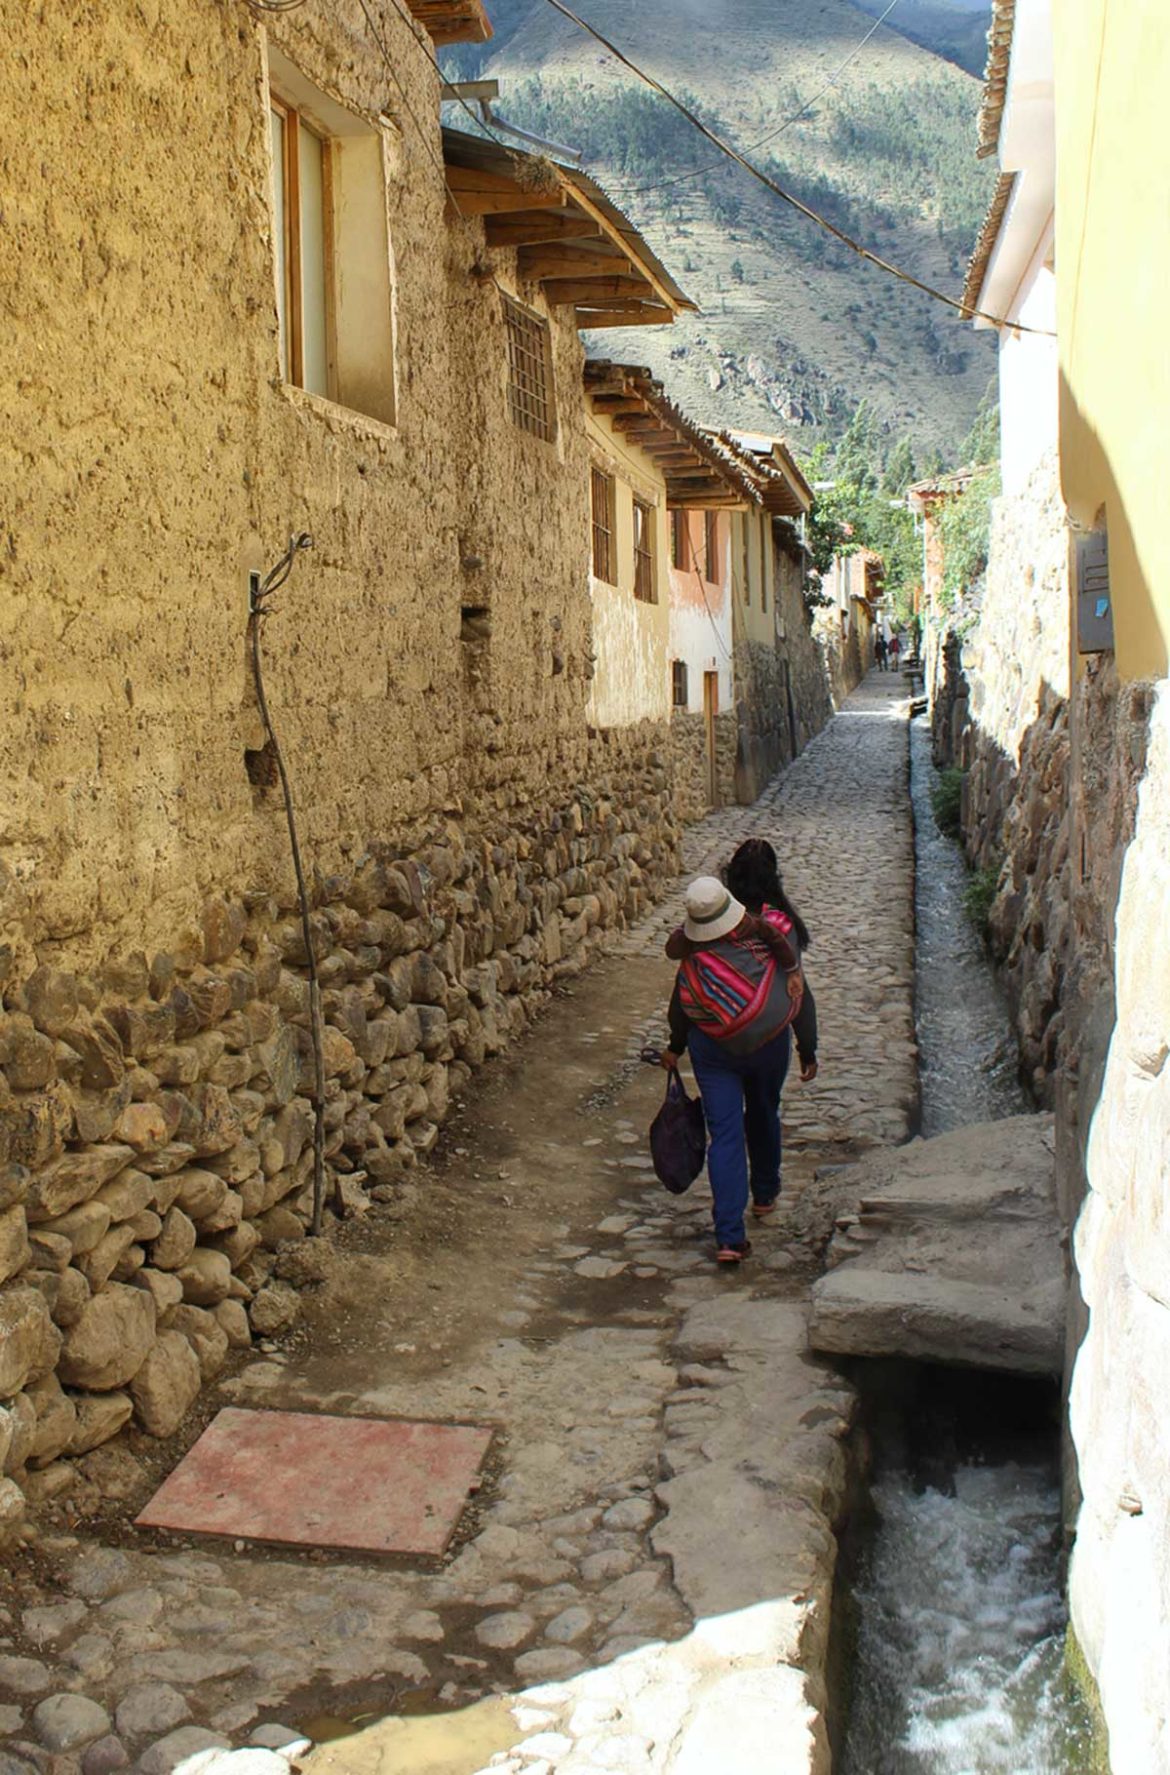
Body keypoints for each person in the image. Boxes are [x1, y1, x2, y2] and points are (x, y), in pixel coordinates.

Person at [662, 876, 802, 1265]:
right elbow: (790, 971)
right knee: (763, 1112)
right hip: (766, 1046)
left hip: (712, 1049)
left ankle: (729, 1238)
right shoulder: (761, 933)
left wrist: (675, 1047)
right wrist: (807, 1044)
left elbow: (680, 1004)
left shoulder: (692, 951)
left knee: (724, 1135)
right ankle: (765, 1195)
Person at [723, 837, 818, 1085]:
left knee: (723, 1121)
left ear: (730, 876)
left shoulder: (714, 923)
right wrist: (807, 1048)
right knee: (764, 1118)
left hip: (717, 1037)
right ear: (773, 879)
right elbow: (798, 990)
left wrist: (676, 1043)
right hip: (769, 1039)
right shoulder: (783, 927)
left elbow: (686, 980)